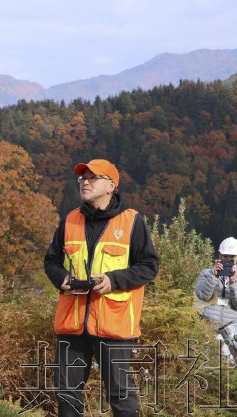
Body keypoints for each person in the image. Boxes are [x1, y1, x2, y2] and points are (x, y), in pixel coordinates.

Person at [44, 159, 160, 417]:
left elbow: (149, 266)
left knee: (120, 396)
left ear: (111, 186)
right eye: (82, 178)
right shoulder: (70, 220)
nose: (85, 181)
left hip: (113, 326)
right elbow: (51, 261)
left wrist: (114, 280)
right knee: (66, 393)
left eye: (92, 177)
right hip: (72, 325)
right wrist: (61, 278)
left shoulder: (132, 222)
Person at [194, 237, 237, 359]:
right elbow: (202, 295)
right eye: (225, 256)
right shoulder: (206, 274)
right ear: (220, 256)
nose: (228, 260)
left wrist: (233, 282)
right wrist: (214, 277)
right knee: (205, 365)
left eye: (232, 257)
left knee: (227, 370)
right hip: (207, 329)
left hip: (230, 332)